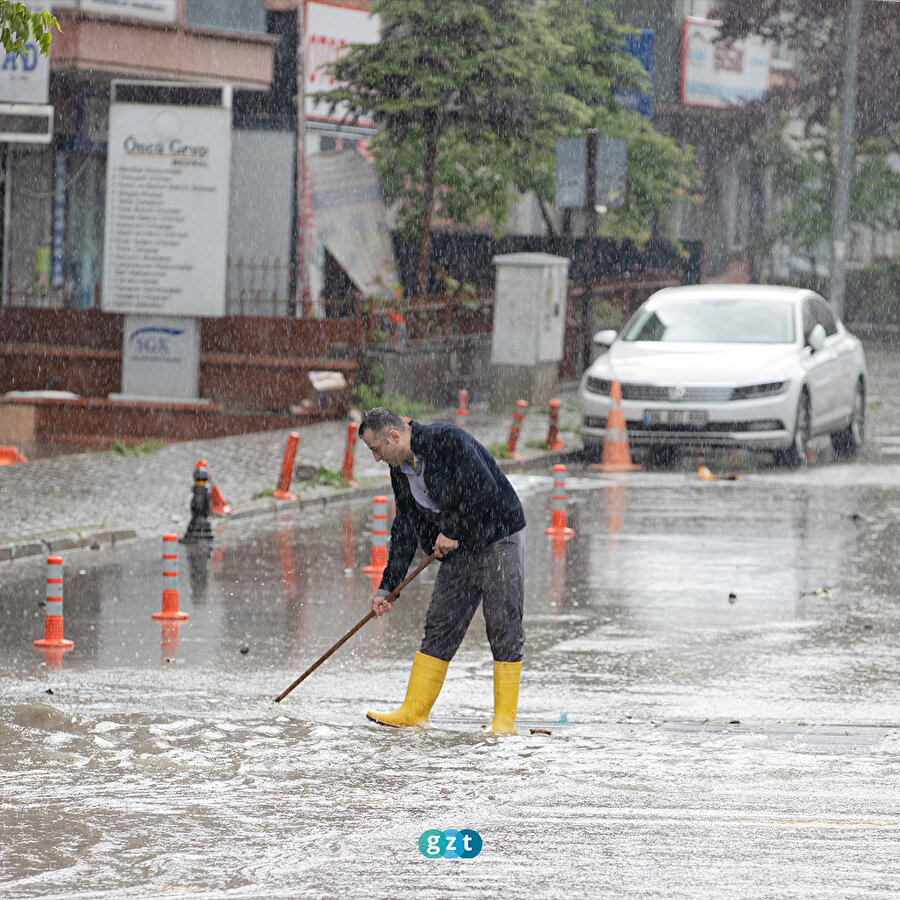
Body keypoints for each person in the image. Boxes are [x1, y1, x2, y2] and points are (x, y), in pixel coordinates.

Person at [358, 406, 526, 734]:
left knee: (503, 626)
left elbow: (484, 489)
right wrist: (387, 586)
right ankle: (414, 711)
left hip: (498, 536)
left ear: (394, 436)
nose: (377, 458)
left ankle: (504, 722)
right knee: (440, 624)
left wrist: (453, 529)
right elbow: (405, 525)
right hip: (458, 547)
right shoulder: (399, 471)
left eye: (376, 450)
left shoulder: (446, 440)